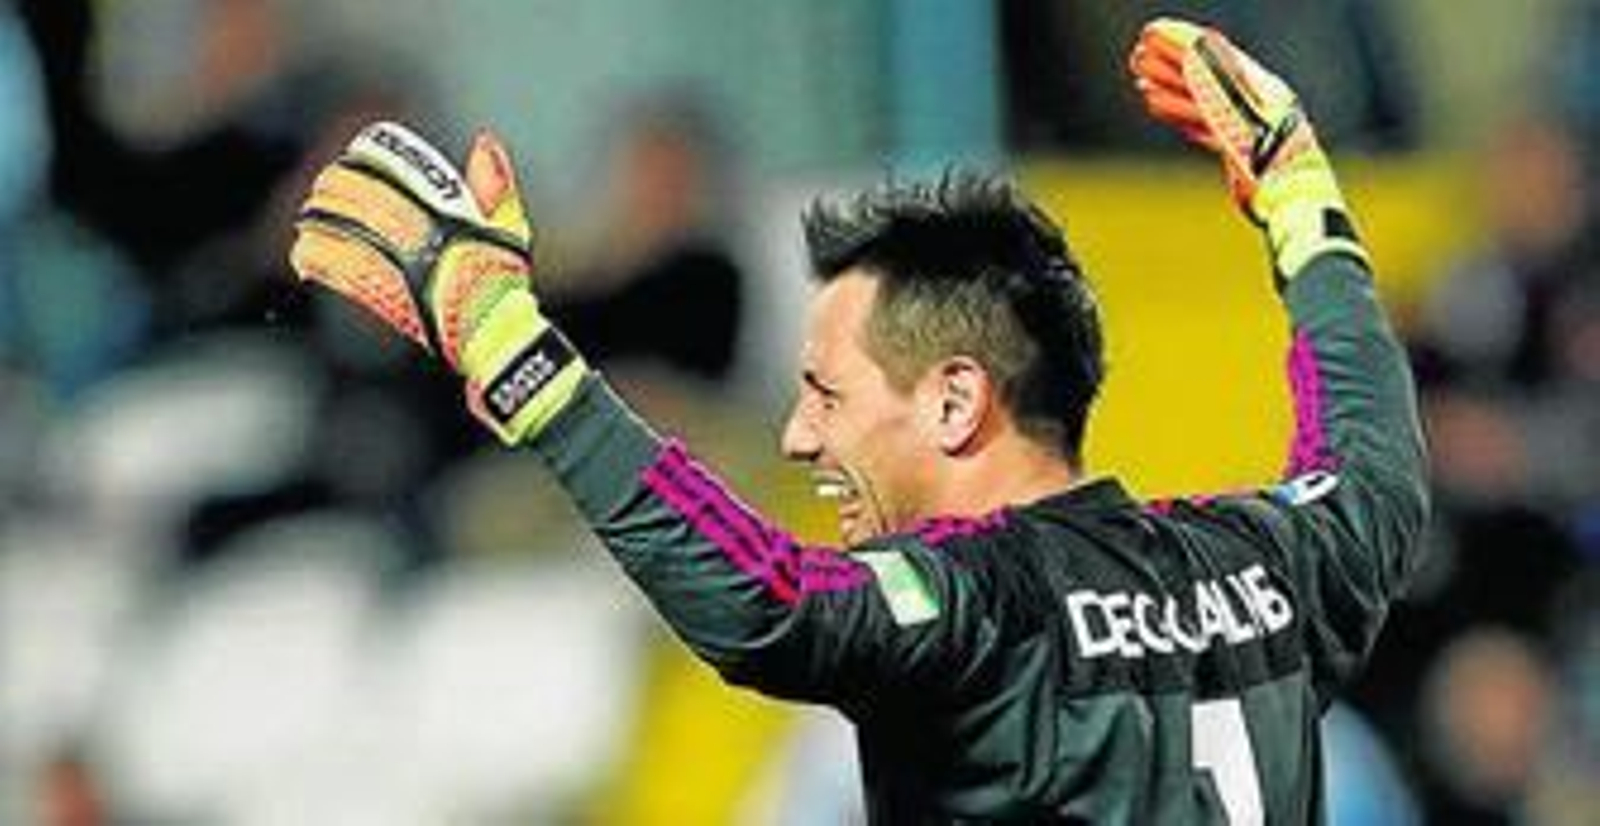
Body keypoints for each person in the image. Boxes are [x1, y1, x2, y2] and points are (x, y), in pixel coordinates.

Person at [287, 17, 1428, 823]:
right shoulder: (1272, 560)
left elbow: (764, 601)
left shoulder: (977, 600)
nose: (797, 436)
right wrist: (1301, 204)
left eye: (828, 394)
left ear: (953, 399)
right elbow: (1369, 460)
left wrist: (514, 356)